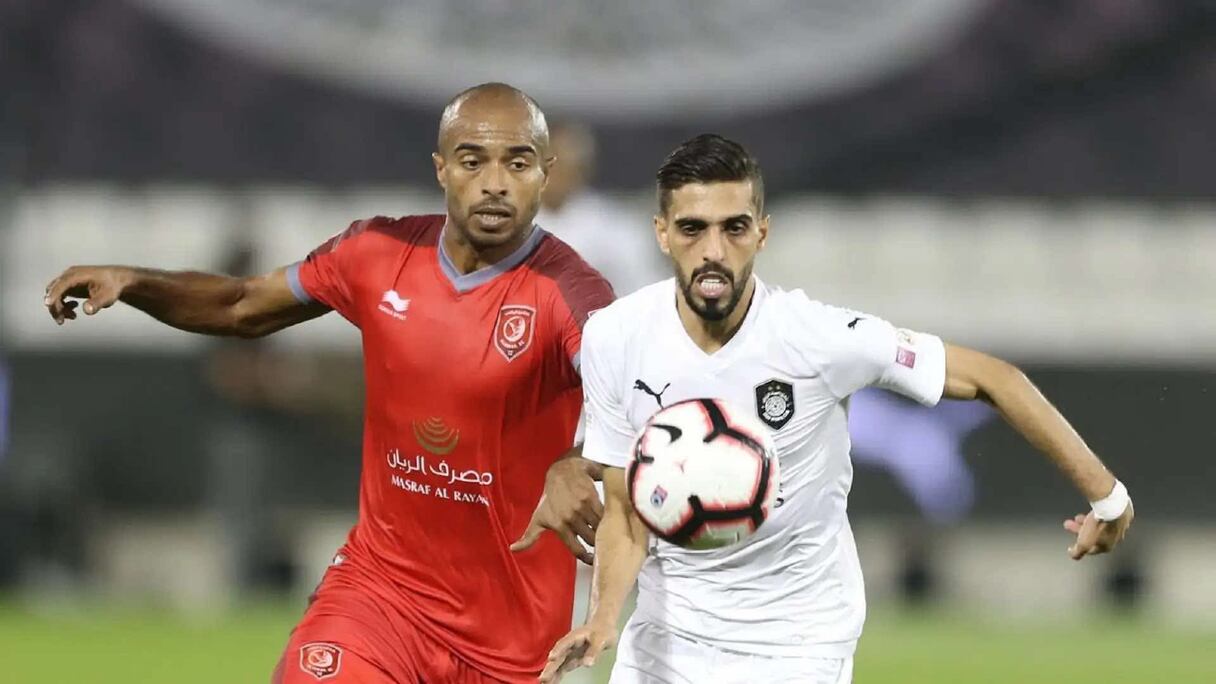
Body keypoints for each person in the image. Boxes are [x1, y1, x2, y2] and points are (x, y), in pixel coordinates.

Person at [43, 82, 613, 684]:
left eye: (518, 164)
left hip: (510, 638)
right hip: (381, 595)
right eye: (473, 161)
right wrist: (135, 281)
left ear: (545, 174)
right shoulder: (376, 251)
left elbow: (643, 406)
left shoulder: (572, 293)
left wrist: (577, 460)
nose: (495, 182)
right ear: (441, 168)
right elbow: (241, 304)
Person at [541, 134, 1135, 684]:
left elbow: (994, 378)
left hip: (798, 644)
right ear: (662, 233)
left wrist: (1107, 497)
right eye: (693, 228)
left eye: (735, 227)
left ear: (762, 233)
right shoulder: (616, 337)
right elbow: (625, 512)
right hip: (665, 643)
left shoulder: (818, 338)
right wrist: (603, 620)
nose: (714, 250)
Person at [537, 121, 665, 298]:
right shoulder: (511, 222)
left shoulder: (613, 226)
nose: (558, 174)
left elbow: (646, 288)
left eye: (568, 165)